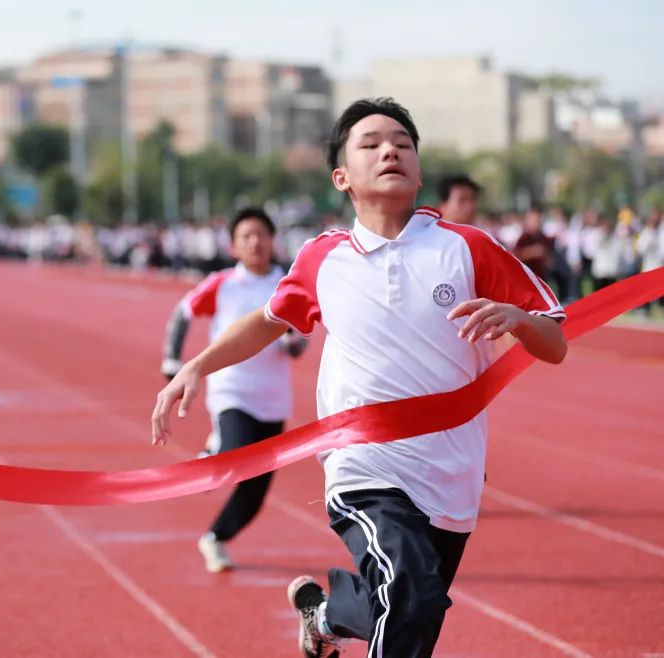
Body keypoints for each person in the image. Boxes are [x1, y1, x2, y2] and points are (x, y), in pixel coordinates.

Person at [151, 98, 567, 658]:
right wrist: (198, 365)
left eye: (402, 143)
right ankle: (331, 615)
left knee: (410, 613)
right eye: (370, 144)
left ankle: (323, 617)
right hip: (364, 464)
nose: (389, 150)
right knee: (411, 597)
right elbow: (268, 322)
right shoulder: (324, 258)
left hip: (452, 467)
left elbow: (555, 344)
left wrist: (520, 320)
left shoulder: (468, 249)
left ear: (419, 171)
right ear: (342, 177)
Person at [161, 206, 307, 573]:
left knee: (256, 490)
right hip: (231, 390)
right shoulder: (223, 283)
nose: (255, 242)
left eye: (261, 235)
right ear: (233, 246)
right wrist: (171, 362)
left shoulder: (288, 283)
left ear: (273, 241)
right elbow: (183, 312)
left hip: (272, 398)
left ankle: (215, 538)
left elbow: (302, 333)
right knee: (234, 456)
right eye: (247, 236)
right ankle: (216, 446)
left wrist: (293, 346)